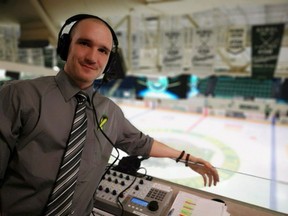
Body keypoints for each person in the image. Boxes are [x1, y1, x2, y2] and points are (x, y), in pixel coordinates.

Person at [0, 14, 219, 216]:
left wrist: (186, 158)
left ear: (109, 61)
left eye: (103, 50)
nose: (92, 57)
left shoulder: (110, 112)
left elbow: (141, 143)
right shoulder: (18, 95)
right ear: (66, 46)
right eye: (85, 43)